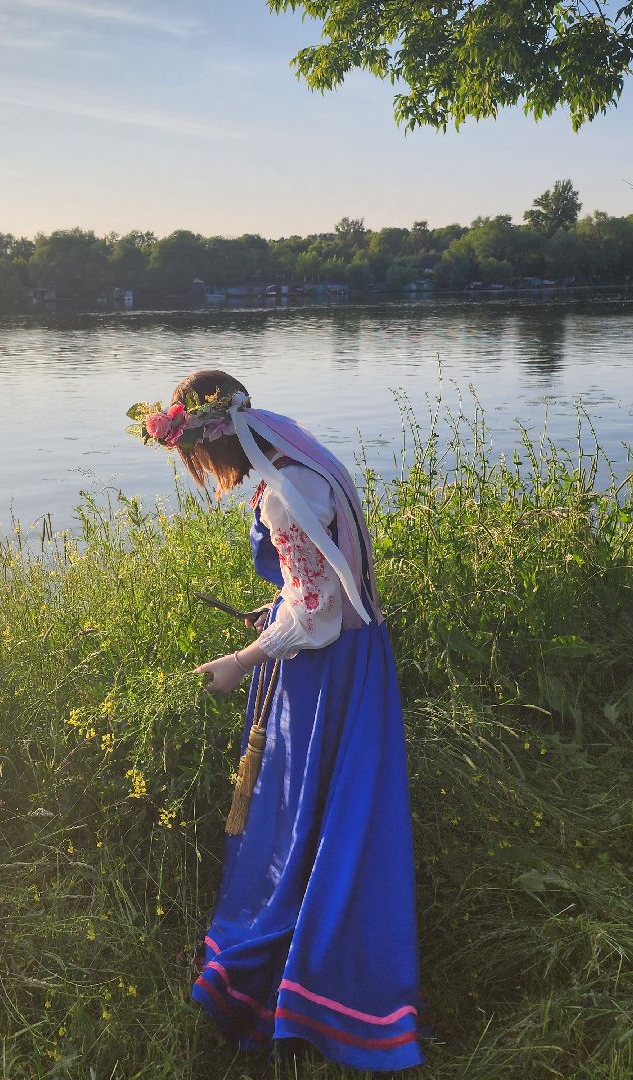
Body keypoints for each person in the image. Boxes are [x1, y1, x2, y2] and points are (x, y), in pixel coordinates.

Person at [127, 370, 424, 1073]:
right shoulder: (305, 457)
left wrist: (241, 657)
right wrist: (284, 613)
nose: (202, 474)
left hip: (325, 672)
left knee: (298, 813)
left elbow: (315, 616)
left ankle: (297, 978)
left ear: (213, 439)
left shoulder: (286, 495)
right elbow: (322, 589)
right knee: (344, 810)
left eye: (195, 461)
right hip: (361, 655)